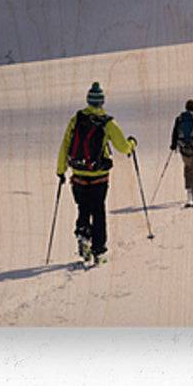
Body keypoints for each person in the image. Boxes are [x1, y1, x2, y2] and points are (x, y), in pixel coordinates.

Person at [56, 82, 136, 264]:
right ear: (101, 102)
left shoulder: (76, 119)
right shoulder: (107, 122)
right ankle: (99, 251)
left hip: (78, 174)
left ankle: (83, 235)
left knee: (83, 208)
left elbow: (65, 144)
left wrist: (61, 170)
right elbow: (123, 147)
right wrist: (132, 144)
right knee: (98, 210)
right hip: (99, 176)